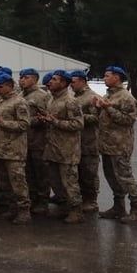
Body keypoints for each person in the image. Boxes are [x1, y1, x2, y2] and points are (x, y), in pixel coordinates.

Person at [95, 66, 137, 224]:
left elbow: (128, 120)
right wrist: (99, 108)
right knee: (111, 177)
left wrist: (108, 108)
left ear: (116, 77)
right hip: (107, 144)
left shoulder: (126, 97)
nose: (104, 78)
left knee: (125, 177)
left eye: (107, 76)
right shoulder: (109, 95)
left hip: (120, 145)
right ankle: (118, 207)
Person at [40, 70, 85, 223]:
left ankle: (76, 211)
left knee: (69, 182)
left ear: (64, 83)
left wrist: (55, 122)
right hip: (53, 148)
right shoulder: (52, 99)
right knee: (55, 181)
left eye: (54, 79)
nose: (50, 82)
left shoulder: (70, 101)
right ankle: (65, 207)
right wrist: (47, 120)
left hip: (67, 150)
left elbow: (78, 124)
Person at [0, 74, 32, 224]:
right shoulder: (0, 101)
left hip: (14, 150)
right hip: (0, 148)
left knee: (18, 182)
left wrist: (2, 122)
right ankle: (12, 208)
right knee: (5, 182)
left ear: (9, 86)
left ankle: (24, 211)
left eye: (0, 87)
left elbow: (24, 124)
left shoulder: (19, 102)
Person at [19, 68, 53, 216]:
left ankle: (43, 201)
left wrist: (28, 121)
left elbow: (47, 118)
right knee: (28, 173)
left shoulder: (42, 96)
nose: (22, 80)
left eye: (26, 77)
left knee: (41, 173)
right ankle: (32, 199)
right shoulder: (20, 95)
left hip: (39, 140)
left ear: (35, 79)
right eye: (21, 77)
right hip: (24, 141)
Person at [68, 70, 100, 214]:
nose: (71, 85)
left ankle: (91, 200)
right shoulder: (74, 96)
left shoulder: (92, 97)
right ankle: (81, 198)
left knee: (89, 173)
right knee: (78, 173)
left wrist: (78, 116)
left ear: (82, 81)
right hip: (75, 142)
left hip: (89, 141)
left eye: (73, 82)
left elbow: (96, 118)